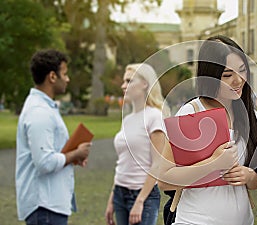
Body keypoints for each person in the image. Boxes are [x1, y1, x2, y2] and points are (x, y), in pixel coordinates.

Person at [158, 35, 257, 225]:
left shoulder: (250, 116)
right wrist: (213, 163)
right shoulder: (192, 112)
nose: (238, 80)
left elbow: (256, 179)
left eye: (242, 70)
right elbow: (165, 179)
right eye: (227, 75)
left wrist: (249, 175)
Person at [15, 49, 91, 225]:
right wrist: (75, 155)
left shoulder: (44, 107)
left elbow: (49, 152)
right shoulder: (39, 112)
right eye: (64, 74)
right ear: (52, 76)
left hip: (49, 205)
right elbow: (44, 162)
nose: (67, 79)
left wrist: (71, 156)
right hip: (44, 207)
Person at [104, 63, 168, 225]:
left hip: (142, 196)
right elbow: (123, 162)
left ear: (145, 83)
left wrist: (140, 201)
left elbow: (157, 164)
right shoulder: (127, 119)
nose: (123, 85)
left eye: (128, 81)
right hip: (120, 193)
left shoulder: (154, 116)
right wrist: (112, 198)